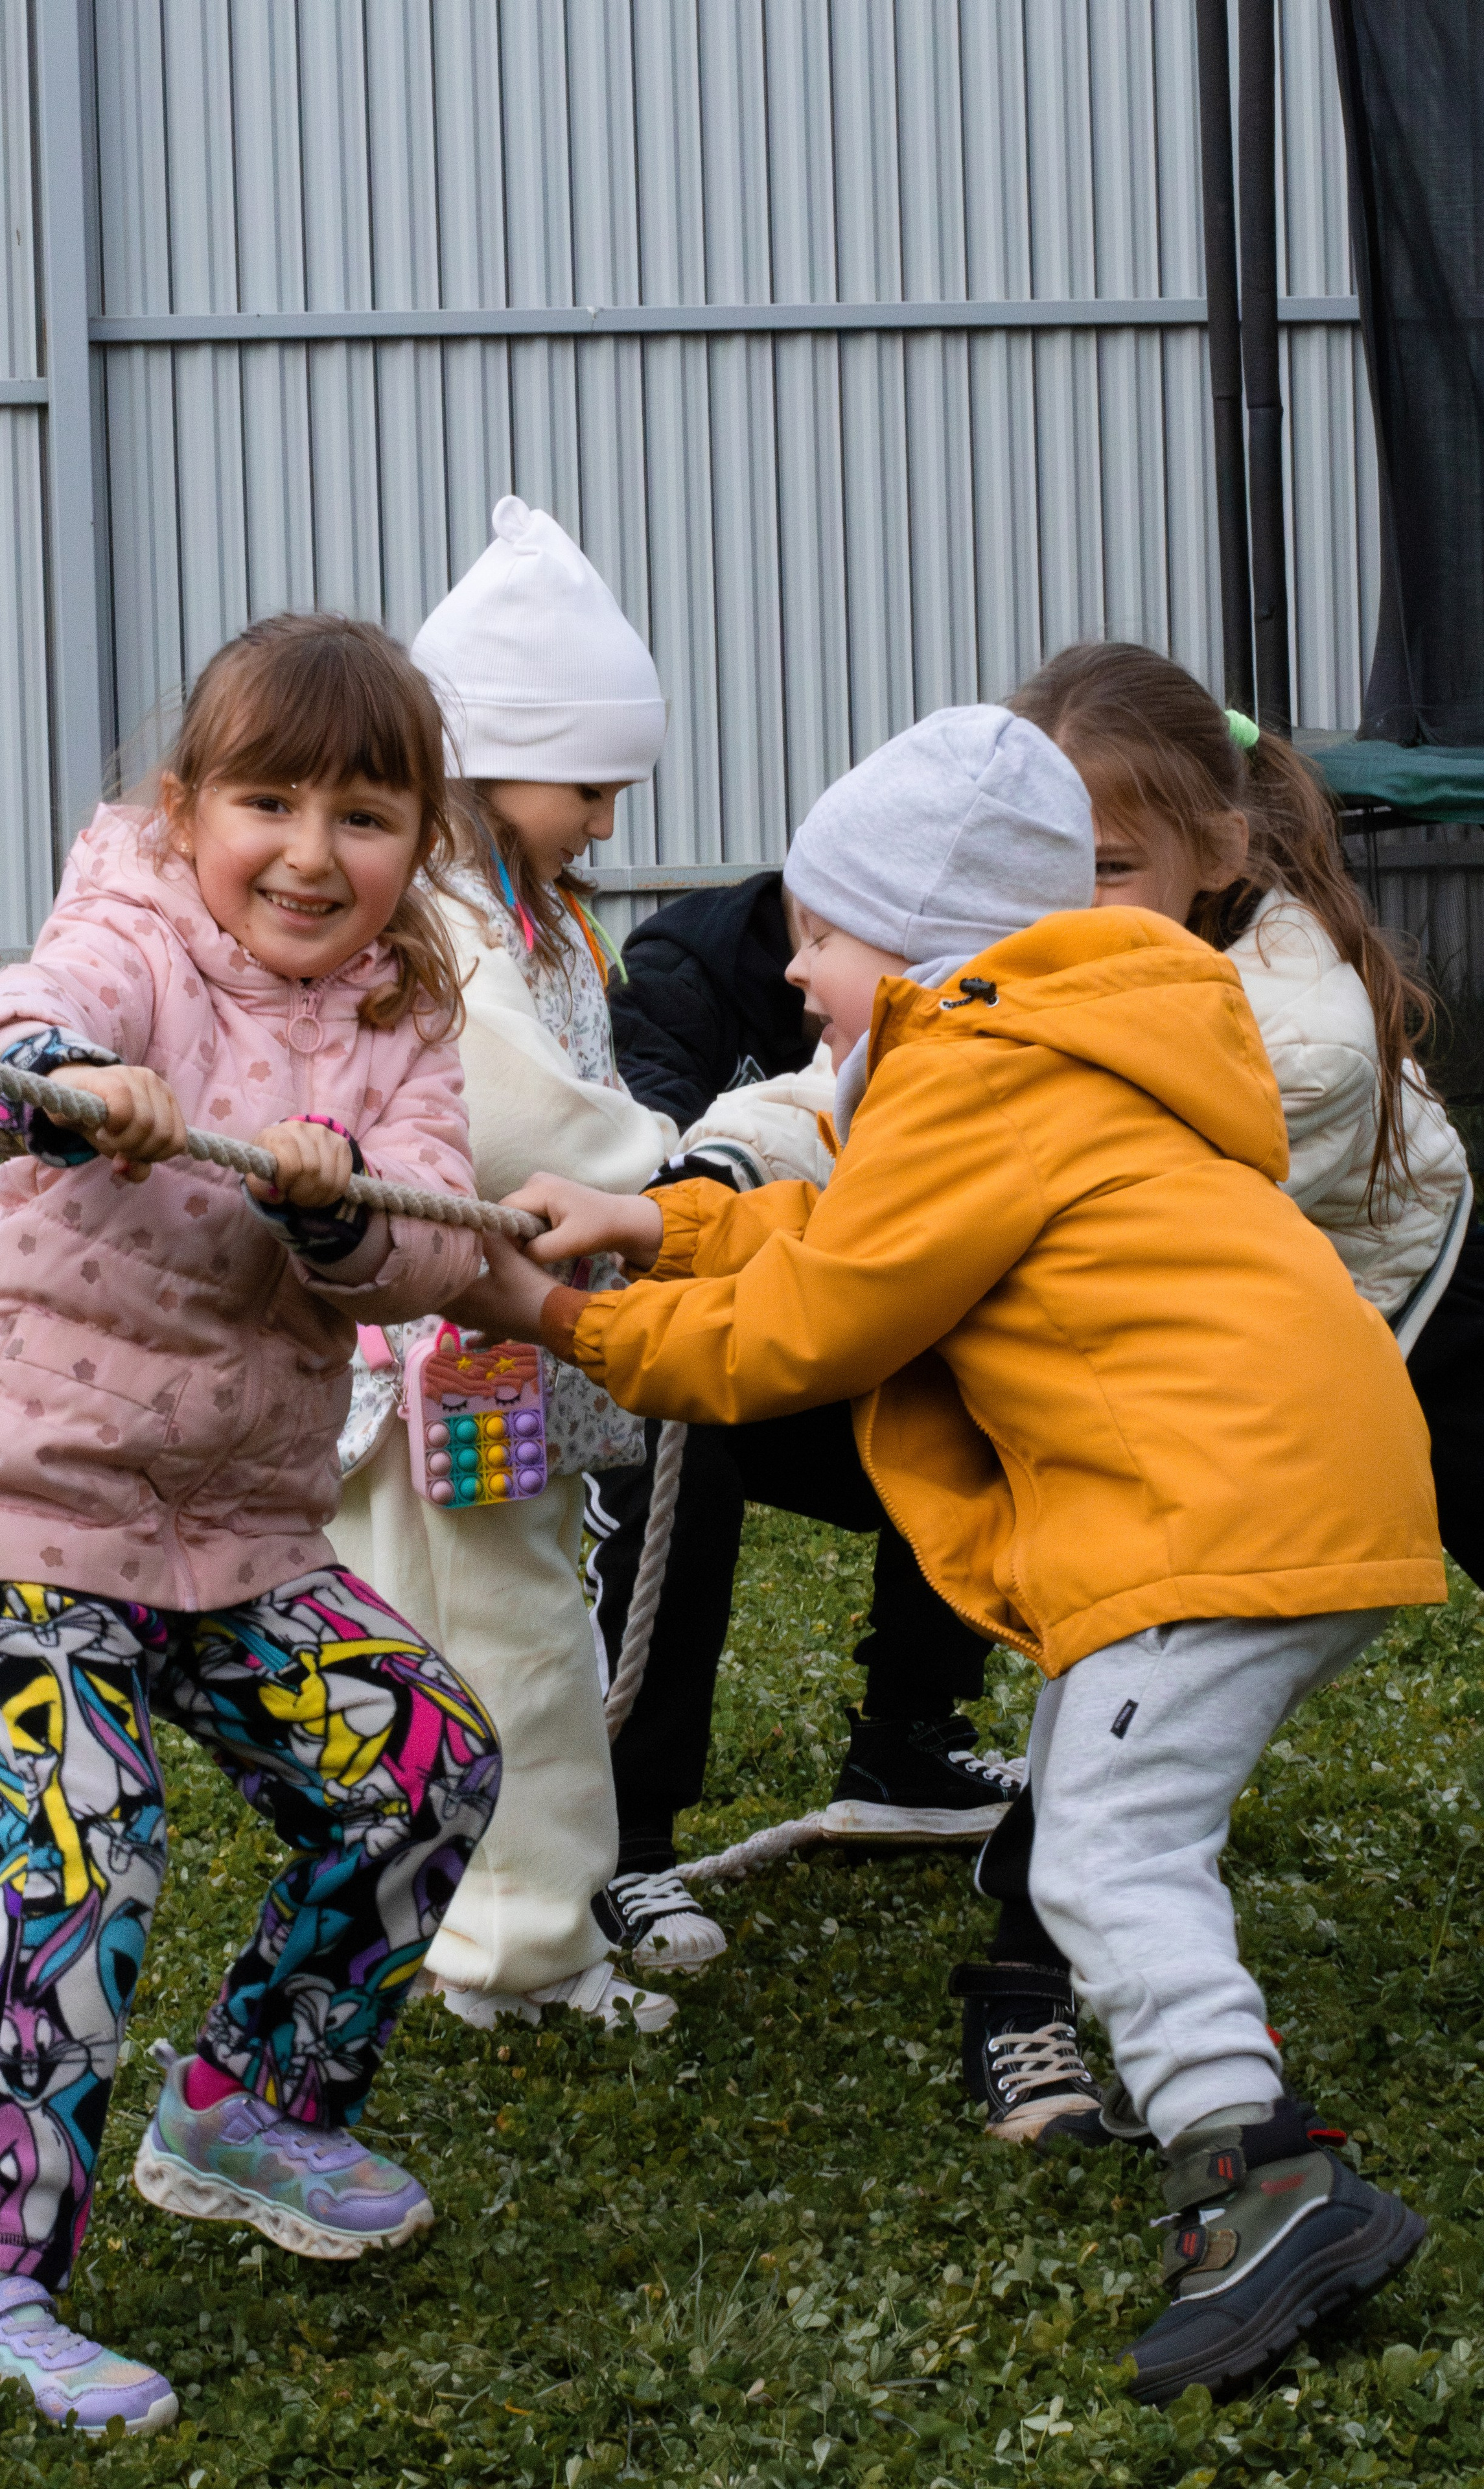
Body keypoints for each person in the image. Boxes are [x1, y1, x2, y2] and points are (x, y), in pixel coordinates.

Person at [463, 701, 1444, 2403]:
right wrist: (655, 1222)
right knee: (1098, 1802)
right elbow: (854, 1222)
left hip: (1213, 1520)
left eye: (823, 936)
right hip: (1304, 1492)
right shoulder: (1057, 1049)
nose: (792, 970)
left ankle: (1261, 2179)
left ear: (921, 947)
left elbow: (806, 1329)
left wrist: (560, 1318)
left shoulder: (975, 1070)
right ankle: (1232, 2124)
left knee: (1108, 1857)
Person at [0, 615, 502, 2436]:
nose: (309, 853)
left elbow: (434, 1234)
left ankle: (251, 2109)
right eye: (267, 804)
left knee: (426, 1765)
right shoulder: (137, 929)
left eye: (363, 816)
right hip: (22, 1499)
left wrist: (336, 1207)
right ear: (186, 809)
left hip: (234, 1527)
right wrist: (70, 1076)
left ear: (419, 841)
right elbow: (5, 1032)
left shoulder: (407, 1014)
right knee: (74, 1837)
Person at [947, 640, 1477, 2145]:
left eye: (1107, 866)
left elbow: (997, 1175)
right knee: (1122, 1634)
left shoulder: (1291, 1038)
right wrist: (714, 1162)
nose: (1063, 901)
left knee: (1149, 1635)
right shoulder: (1025, 952)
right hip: (1231, 1338)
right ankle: (1022, 1992)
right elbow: (889, 1086)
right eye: (1040, 856)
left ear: (1218, 852)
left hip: (1396, 1306)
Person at [330, 497, 680, 2034]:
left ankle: (450, 1923)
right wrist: (677, 1167)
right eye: (587, 786)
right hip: (459, 1348)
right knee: (518, 1644)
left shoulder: (505, 914)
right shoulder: (458, 925)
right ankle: (523, 1947)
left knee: (428, 1641)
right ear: (488, 763)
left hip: (433, 1349)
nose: (603, 819)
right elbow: (516, 1123)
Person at [586, 875, 1021, 1978]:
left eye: (833, 944)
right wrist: (694, 1190)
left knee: (978, 1391)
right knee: (676, 1445)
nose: (800, 971)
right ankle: (626, 1837)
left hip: (817, 1312)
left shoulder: (973, 1003)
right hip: (693, 1296)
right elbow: (757, 1122)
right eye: (811, 936)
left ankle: (906, 1745)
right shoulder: (681, 970)